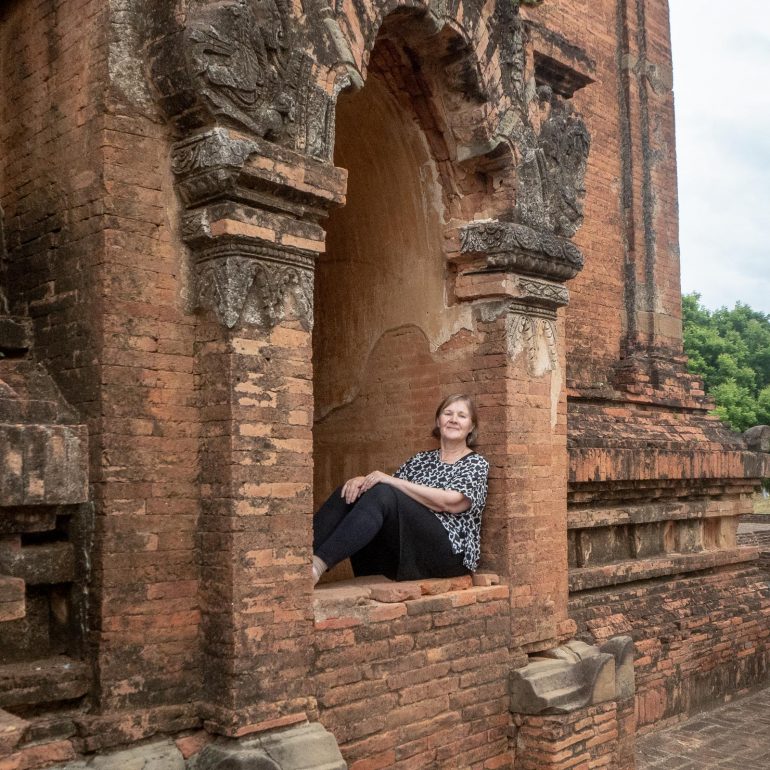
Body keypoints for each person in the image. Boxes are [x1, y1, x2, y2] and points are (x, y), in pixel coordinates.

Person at [312, 394, 489, 585]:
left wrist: (389, 480)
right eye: (448, 413)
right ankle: (299, 562)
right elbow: (383, 496)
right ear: (438, 421)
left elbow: (449, 502)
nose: (454, 419)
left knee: (383, 492)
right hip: (410, 544)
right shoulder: (421, 460)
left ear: (471, 427)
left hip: (450, 553)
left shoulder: (476, 463)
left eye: (462, 416)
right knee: (349, 492)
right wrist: (362, 481)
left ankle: (316, 568)